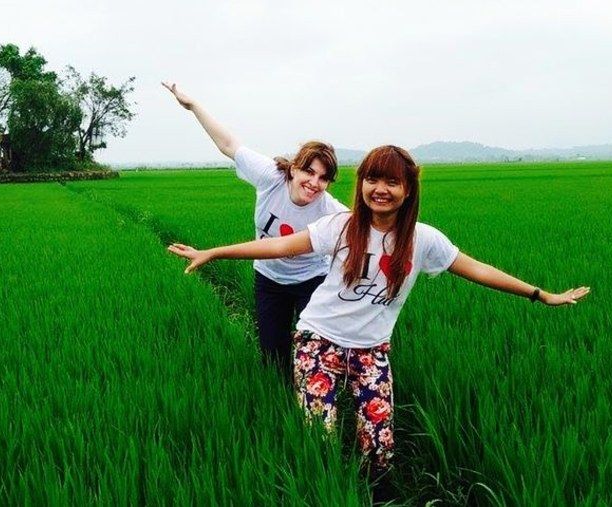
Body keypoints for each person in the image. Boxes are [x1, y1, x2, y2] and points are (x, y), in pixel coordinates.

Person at [167, 145, 590, 497]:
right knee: (318, 440)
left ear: (408, 191)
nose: (380, 189)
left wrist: (540, 294)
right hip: (319, 342)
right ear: (361, 185)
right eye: (372, 178)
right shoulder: (339, 227)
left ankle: (377, 496)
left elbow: (478, 270)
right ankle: (325, 492)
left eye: (391, 181)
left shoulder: (424, 240)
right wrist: (214, 252)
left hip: (371, 353)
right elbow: (278, 249)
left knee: (379, 450)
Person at [162, 82, 347, 375]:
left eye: (323, 178)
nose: (314, 183)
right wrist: (193, 105)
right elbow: (229, 145)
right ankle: (282, 399)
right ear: (294, 168)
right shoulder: (271, 176)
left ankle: (314, 405)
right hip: (269, 279)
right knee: (273, 354)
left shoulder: (331, 210)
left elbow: (368, 234)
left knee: (316, 349)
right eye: (309, 172)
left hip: (312, 281)